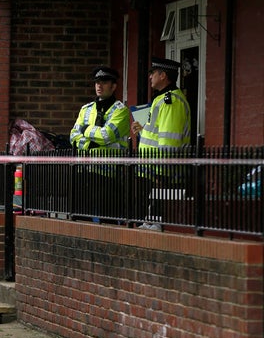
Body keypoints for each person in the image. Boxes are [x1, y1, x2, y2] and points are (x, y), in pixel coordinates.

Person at [132, 57, 192, 230]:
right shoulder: (162, 99)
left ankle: (155, 222)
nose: (150, 77)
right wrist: (142, 130)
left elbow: (169, 138)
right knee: (151, 207)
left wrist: (162, 165)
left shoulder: (171, 101)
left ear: (163, 75)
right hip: (153, 165)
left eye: (153, 73)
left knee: (160, 209)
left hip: (161, 167)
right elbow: (158, 133)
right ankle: (151, 221)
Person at [70, 66, 130, 220]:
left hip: (108, 173)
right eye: (97, 82)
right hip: (84, 171)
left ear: (114, 86)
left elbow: (106, 135)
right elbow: (73, 135)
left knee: (107, 219)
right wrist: (90, 144)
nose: (99, 85)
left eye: (103, 82)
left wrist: (85, 129)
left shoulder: (121, 111)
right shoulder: (86, 109)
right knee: (81, 218)